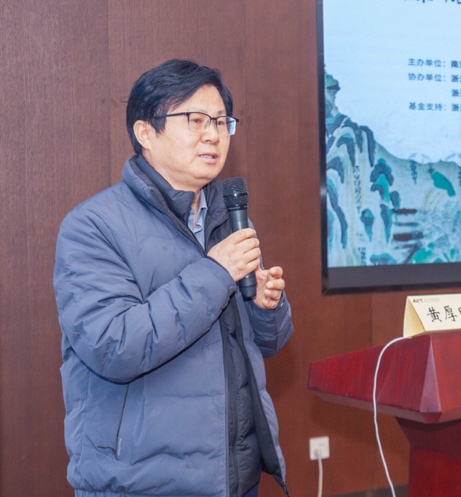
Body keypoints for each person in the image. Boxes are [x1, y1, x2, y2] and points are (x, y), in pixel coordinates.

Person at [53, 59, 294, 497]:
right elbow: (114, 347)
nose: (213, 134)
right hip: (142, 482)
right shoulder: (92, 227)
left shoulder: (225, 217)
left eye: (221, 121)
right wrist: (215, 273)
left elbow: (267, 345)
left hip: (234, 478)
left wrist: (266, 307)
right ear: (146, 133)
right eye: (195, 120)